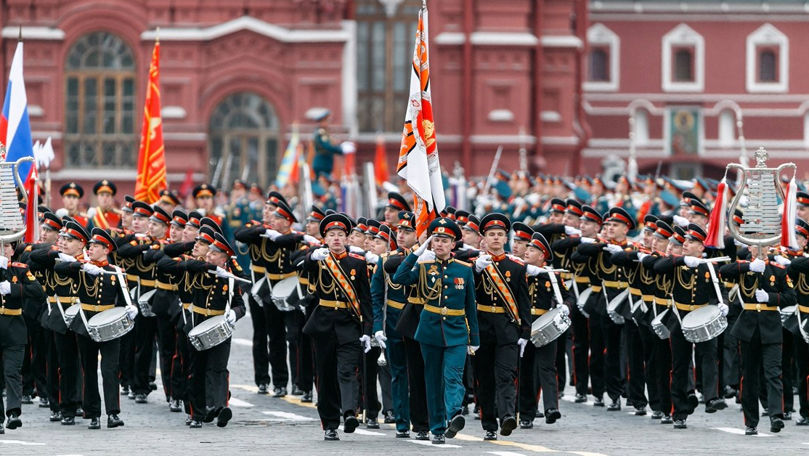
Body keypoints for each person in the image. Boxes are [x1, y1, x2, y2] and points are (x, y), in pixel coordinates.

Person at [392, 217, 479, 444]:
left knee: (452, 376)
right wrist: (415, 253)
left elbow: (471, 307)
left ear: (453, 245)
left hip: (457, 331)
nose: (440, 244)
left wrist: (474, 338)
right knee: (431, 380)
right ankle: (437, 428)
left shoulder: (465, 269)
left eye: (445, 240)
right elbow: (398, 278)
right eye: (436, 239)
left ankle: (453, 415)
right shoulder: (422, 266)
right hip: (429, 330)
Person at [54, 228, 134, 429]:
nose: (90, 249)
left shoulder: (116, 271)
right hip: (86, 323)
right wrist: (82, 265)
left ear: (106, 250)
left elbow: (125, 299)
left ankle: (113, 413)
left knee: (109, 369)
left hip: (109, 324)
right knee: (88, 369)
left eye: (95, 246)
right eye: (89, 246)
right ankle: (93, 413)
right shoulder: (81, 267)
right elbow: (59, 269)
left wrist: (131, 309)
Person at [302, 213, 372, 441]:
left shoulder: (357, 263)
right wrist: (313, 256)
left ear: (347, 237)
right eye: (331, 235)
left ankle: (350, 412)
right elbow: (301, 267)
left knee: (347, 369)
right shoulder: (319, 259)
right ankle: (330, 423)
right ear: (325, 238)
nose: (336, 239)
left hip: (348, 322)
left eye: (340, 235)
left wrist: (368, 330)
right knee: (326, 374)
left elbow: (365, 299)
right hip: (323, 323)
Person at [653, 224, 727, 430]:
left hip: (703, 317)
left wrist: (723, 305)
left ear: (702, 247)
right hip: (680, 318)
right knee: (679, 365)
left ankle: (711, 397)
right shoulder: (675, 264)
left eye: (692, 242)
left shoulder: (709, 267)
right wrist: (682, 259)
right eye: (685, 241)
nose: (685, 244)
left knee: (709, 357)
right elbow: (658, 267)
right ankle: (680, 411)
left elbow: (719, 291)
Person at [470, 213, 531, 440]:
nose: (495, 238)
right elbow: (468, 295)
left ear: (506, 239)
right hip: (482, 327)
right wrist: (476, 270)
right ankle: (489, 424)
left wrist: (526, 331)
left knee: (506, 375)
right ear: (483, 239)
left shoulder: (516, 266)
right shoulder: (474, 264)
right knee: (484, 378)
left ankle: (506, 416)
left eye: (499, 235)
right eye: (491, 234)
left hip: (507, 326)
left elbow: (523, 302)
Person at [722, 246, 794, 435]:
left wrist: (770, 297)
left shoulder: (778, 270)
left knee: (773, 373)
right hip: (748, 328)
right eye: (755, 243)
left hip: (770, 328)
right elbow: (724, 272)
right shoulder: (743, 266)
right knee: (750, 376)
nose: (760, 248)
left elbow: (791, 297)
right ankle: (751, 421)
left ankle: (776, 415)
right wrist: (749, 268)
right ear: (750, 247)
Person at [520, 232, 572, 428]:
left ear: (542, 256)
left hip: (545, 324)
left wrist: (566, 306)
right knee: (525, 370)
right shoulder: (521, 270)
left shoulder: (552, 274)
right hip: (524, 325)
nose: (527, 251)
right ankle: (526, 413)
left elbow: (567, 297)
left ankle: (551, 408)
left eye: (532, 250)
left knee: (547, 367)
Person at [0, 242, 46, 434]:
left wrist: (13, 289)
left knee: (12, 372)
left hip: (13, 327)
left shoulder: (20, 269)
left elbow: (38, 292)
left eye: (5, 246)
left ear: (12, 250)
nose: (1, 250)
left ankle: (13, 413)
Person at [312, 110, 343, 179]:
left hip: (325, 164)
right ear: (321, 122)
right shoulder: (321, 133)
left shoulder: (324, 133)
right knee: (322, 186)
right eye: (327, 121)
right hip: (322, 164)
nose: (328, 123)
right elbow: (327, 146)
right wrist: (341, 150)